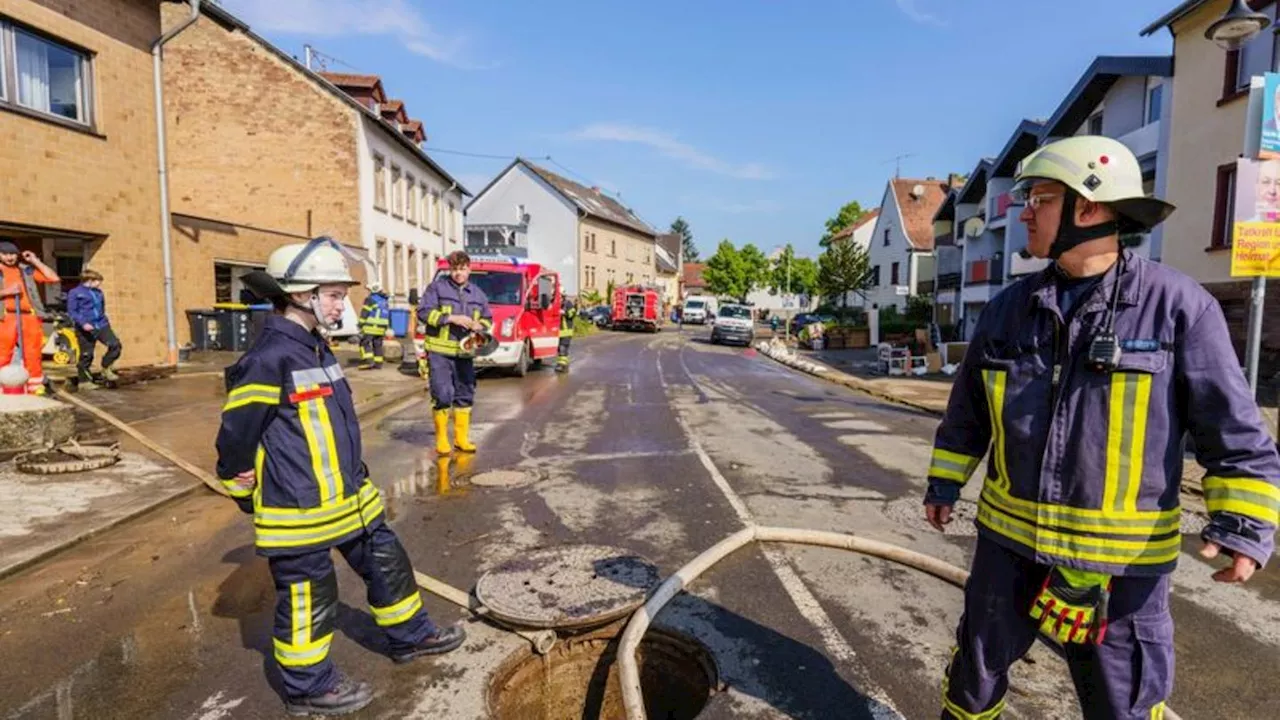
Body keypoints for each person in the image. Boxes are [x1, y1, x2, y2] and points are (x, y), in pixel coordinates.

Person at [925, 135, 1280, 720]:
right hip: (1009, 550)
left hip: (1122, 572)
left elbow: (1235, 432)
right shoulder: (1008, 308)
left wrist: (1243, 526)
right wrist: (944, 484)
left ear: (1088, 209)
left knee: (1124, 705)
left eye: (1039, 198)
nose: (1024, 212)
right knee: (973, 685)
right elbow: (967, 412)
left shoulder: (1178, 307)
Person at [215, 237, 466, 717]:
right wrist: (242, 488)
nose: (342, 303)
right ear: (300, 295)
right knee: (313, 598)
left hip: (350, 498)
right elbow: (234, 439)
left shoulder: (315, 348)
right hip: (299, 507)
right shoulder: (269, 358)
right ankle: (307, 687)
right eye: (333, 293)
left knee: (387, 563)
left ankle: (410, 636)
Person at [417, 251, 492, 456]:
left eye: (462, 269)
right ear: (450, 269)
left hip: (465, 354)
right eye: (455, 269)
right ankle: (442, 439)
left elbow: (488, 319)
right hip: (440, 352)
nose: (459, 273)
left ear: (469, 269)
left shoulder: (477, 294)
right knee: (442, 394)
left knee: (465, 393)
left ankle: (461, 439)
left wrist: (479, 326)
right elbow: (423, 312)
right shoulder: (437, 288)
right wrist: (451, 318)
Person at [0, 241, 60, 395]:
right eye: (5, 254)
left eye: (12, 253)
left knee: (33, 353)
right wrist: (6, 292)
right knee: (2, 353)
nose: (9, 257)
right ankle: (3, 386)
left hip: (30, 316)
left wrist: (35, 260)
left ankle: (34, 386)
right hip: (5, 316)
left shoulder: (25, 270)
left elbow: (53, 278)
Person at [66, 269, 122, 388]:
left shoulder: (98, 293)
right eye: (98, 281)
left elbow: (101, 308)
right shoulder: (75, 293)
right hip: (85, 328)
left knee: (115, 345)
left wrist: (104, 321)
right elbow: (72, 311)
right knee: (87, 354)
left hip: (101, 325)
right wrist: (83, 323)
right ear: (90, 280)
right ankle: (84, 381)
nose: (99, 284)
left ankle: (106, 367)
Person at [357, 282, 390, 370]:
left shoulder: (370, 299)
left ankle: (368, 361)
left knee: (364, 343)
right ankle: (378, 364)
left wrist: (360, 324)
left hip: (371, 326)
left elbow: (365, 312)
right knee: (377, 344)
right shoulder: (384, 300)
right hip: (382, 328)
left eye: (369, 290)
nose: (368, 292)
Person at [557, 298, 578, 373]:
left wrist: (564, 312)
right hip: (559, 331)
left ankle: (563, 366)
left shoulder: (568, 304)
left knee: (563, 348)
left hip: (566, 331)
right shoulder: (557, 303)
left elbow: (572, 314)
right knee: (560, 349)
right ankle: (562, 364)